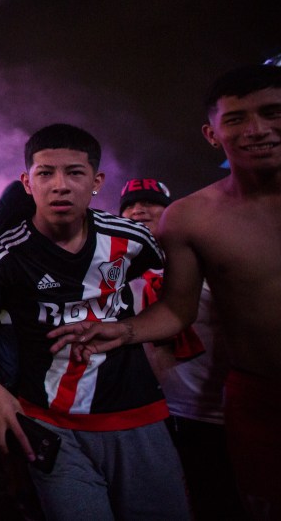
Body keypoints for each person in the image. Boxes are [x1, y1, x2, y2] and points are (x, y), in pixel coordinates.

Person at [51, 64, 281, 519]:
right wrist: (123, 331)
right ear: (212, 133)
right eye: (236, 119)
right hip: (256, 396)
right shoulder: (191, 217)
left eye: (272, 112)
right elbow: (178, 308)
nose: (257, 130)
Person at [0, 124, 188, 521]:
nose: (60, 186)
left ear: (96, 181)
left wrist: (127, 330)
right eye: (45, 173)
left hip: (137, 418)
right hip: (51, 427)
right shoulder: (6, 254)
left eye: (74, 173)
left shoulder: (132, 239)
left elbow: (180, 303)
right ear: (27, 182)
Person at [118, 177, 244, 520]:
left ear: (173, 211)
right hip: (152, 412)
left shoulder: (206, 260)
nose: (138, 210)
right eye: (129, 206)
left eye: (149, 202)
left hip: (214, 409)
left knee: (226, 498)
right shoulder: (114, 275)